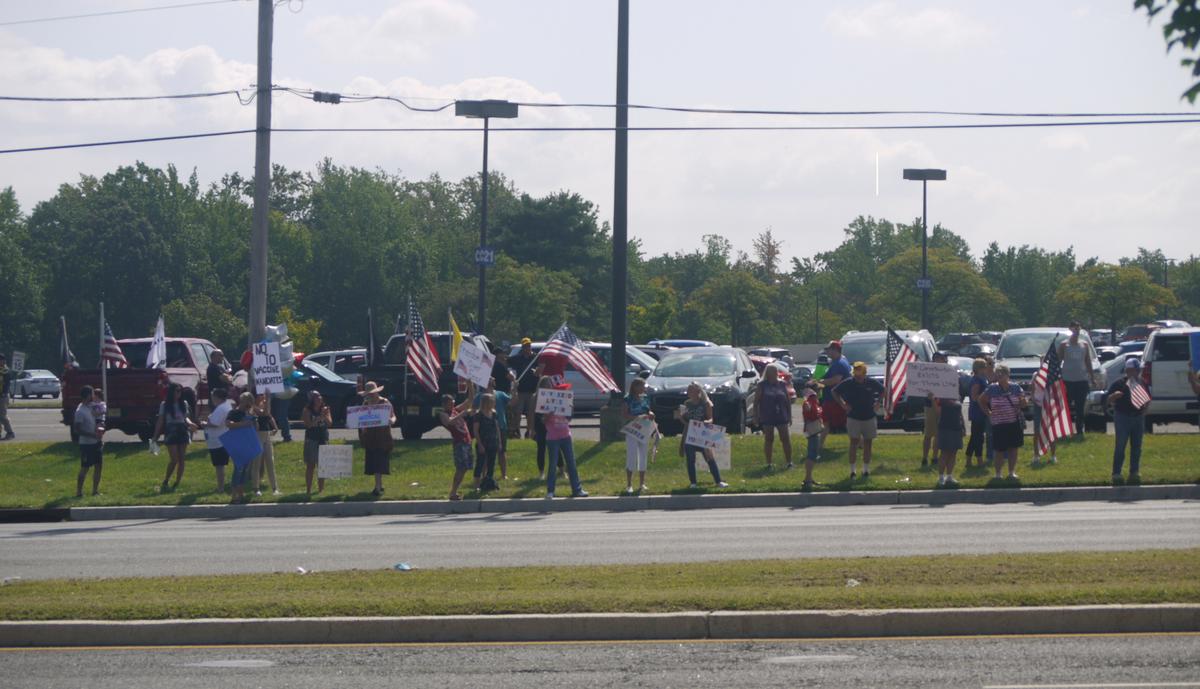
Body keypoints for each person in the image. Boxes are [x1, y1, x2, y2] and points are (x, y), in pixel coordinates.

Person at [832, 361, 885, 481]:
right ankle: (852, 471)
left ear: (864, 374)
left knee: (868, 443)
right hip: (853, 417)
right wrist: (842, 404)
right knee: (853, 443)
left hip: (869, 416)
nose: (858, 378)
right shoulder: (848, 382)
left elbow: (883, 390)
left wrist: (878, 402)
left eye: (860, 375)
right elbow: (834, 391)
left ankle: (866, 469)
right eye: (856, 375)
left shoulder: (871, 382)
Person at [675, 381, 728, 489]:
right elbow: (686, 421)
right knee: (690, 459)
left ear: (697, 391)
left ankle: (718, 481)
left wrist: (707, 422)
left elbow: (711, 418)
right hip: (690, 433)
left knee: (709, 457)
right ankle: (693, 482)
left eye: (691, 390)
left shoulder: (705, 403)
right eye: (688, 390)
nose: (688, 392)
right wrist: (680, 417)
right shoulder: (687, 404)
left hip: (703, 433)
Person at [541, 376, 587, 498]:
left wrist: (570, 409)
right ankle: (550, 491)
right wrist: (549, 413)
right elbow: (543, 420)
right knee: (552, 464)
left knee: (571, 463)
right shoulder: (546, 401)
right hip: (552, 437)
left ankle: (577, 489)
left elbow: (569, 419)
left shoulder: (565, 400)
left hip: (566, 435)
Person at [1106, 358, 1150, 485]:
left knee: (1137, 446)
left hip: (1137, 417)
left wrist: (1144, 411)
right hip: (1122, 417)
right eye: (1131, 370)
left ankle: (1134, 472)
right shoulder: (1119, 384)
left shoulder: (1142, 383)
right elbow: (1107, 400)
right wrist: (1113, 396)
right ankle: (1116, 473)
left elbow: (1147, 399)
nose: (1134, 373)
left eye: (1136, 370)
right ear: (1127, 371)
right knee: (1120, 446)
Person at [980, 364, 1027, 481]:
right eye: (998, 374)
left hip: (1014, 422)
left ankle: (1011, 472)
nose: (999, 376)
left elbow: (1024, 404)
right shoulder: (992, 388)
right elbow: (981, 400)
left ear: (1007, 375)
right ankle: (998, 474)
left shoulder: (1016, 387)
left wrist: (1023, 401)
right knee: (999, 450)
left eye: (1002, 374)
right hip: (998, 424)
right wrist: (989, 413)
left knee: (1013, 448)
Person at [155, 382, 198, 493]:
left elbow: (185, 418)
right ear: (171, 392)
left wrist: (190, 424)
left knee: (182, 459)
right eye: (177, 391)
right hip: (171, 430)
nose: (179, 393)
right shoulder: (165, 404)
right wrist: (155, 436)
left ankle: (177, 482)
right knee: (174, 459)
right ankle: (166, 480)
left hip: (182, 429)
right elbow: (160, 420)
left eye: (180, 391)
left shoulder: (184, 403)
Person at [358, 381, 396, 497]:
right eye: (369, 394)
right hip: (370, 437)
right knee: (374, 462)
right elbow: (361, 419)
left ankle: (377, 487)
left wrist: (391, 421)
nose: (371, 395)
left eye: (372, 393)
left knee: (380, 462)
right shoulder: (365, 404)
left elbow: (393, 416)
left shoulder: (385, 402)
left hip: (383, 436)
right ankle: (379, 485)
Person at [754, 363, 794, 470]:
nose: (775, 373)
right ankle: (769, 463)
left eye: (776, 371)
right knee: (769, 439)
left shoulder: (782, 384)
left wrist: (789, 415)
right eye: (772, 371)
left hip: (781, 415)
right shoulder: (762, 385)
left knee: (785, 438)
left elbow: (787, 401)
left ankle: (789, 462)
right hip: (767, 415)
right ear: (768, 373)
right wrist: (756, 416)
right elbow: (756, 402)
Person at [1057, 322, 1094, 437]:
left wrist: (1092, 377)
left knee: (1080, 407)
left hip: (1081, 380)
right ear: (1070, 329)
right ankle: (1064, 430)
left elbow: (1088, 361)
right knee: (1066, 406)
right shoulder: (1064, 345)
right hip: (1067, 380)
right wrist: (1056, 377)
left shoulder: (1084, 345)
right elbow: (1058, 361)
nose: (1076, 330)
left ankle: (1079, 430)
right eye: (1074, 328)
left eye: (1078, 328)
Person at [438, 388, 475, 501]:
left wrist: (470, 385)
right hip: (459, 443)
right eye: (450, 403)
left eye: (452, 402)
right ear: (444, 404)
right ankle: (453, 492)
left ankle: (455, 491)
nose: (452, 404)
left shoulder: (456, 410)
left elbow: (470, 400)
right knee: (460, 468)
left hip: (467, 441)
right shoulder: (443, 414)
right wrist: (462, 414)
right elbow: (449, 422)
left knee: (465, 468)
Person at [225, 392, 259, 504]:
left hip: (247, 443)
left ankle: (241, 494)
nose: (248, 405)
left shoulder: (250, 414)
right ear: (242, 401)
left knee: (245, 470)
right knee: (238, 469)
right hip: (237, 443)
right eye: (246, 402)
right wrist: (243, 424)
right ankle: (234, 495)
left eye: (250, 402)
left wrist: (254, 422)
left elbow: (256, 429)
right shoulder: (234, 412)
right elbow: (228, 424)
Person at [475, 377, 511, 481]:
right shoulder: (480, 396)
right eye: (490, 378)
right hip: (484, 430)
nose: (493, 379)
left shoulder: (500, 394)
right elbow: (473, 406)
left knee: (501, 452)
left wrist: (514, 387)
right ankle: (484, 476)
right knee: (485, 455)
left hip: (501, 426)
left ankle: (503, 474)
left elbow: (512, 402)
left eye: (493, 379)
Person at [622, 378, 655, 493]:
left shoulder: (645, 398)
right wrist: (637, 417)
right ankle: (629, 484)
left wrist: (650, 414)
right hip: (633, 429)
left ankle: (642, 483)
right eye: (641, 386)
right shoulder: (628, 399)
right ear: (635, 387)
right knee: (631, 455)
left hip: (644, 428)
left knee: (643, 455)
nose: (643, 388)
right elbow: (625, 414)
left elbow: (647, 410)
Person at [819, 340, 851, 452]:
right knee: (828, 423)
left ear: (835, 350)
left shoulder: (839, 364)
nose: (827, 352)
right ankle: (819, 445)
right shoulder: (838, 361)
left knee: (843, 423)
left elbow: (836, 380)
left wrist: (819, 382)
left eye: (828, 350)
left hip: (836, 399)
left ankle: (859, 443)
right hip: (833, 398)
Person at [73, 385, 103, 497]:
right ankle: (79, 492)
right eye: (92, 394)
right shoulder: (80, 411)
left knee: (98, 466)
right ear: (88, 395)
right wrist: (92, 435)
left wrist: (100, 427)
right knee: (85, 468)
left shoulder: (91, 406)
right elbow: (77, 430)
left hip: (96, 442)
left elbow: (99, 416)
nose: (94, 396)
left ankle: (95, 491)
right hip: (86, 444)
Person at [921, 351, 950, 467]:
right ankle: (924, 457)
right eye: (939, 358)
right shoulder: (928, 372)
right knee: (928, 433)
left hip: (943, 404)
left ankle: (934, 457)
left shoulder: (948, 372)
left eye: (943, 359)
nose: (942, 361)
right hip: (930, 405)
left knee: (939, 433)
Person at [202, 388, 233, 492]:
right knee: (220, 465)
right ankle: (221, 486)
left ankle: (220, 488)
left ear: (217, 397)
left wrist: (205, 424)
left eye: (213, 397)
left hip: (218, 441)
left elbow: (215, 423)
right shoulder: (226, 405)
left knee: (219, 466)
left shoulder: (221, 408)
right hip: (222, 438)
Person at [301, 391, 331, 498]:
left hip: (323, 438)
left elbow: (330, 423)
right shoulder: (307, 410)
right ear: (312, 400)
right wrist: (319, 417)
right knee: (310, 465)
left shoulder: (325, 409)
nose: (319, 399)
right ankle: (308, 490)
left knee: (322, 466)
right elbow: (308, 425)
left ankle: (321, 490)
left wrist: (325, 415)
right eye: (316, 398)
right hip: (311, 439)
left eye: (320, 397)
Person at [508, 338, 539, 439]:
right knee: (518, 412)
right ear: (522, 347)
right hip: (520, 390)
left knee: (530, 413)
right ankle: (516, 431)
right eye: (525, 346)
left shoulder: (536, 358)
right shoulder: (517, 358)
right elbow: (507, 363)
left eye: (528, 346)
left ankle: (528, 432)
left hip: (532, 390)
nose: (527, 348)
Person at [936, 391, 965, 488]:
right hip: (945, 427)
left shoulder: (958, 396)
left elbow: (960, 413)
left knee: (953, 452)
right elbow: (938, 412)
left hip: (956, 427)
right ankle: (941, 477)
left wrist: (963, 427)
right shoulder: (942, 398)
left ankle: (949, 476)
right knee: (944, 452)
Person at [799, 381, 824, 492]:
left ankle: (809, 477)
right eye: (819, 390)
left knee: (813, 454)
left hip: (814, 429)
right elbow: (811, 412)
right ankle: (808, 479)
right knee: (811, 455)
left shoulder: (813, 400)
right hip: (812, 429)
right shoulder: (810, 400)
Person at [965, 358, 989, 468]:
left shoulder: (982, 379)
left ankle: (970, 459)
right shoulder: (976, 380)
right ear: (979, 368)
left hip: (981, 410)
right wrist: (985, 400)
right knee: (977, 437)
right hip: (977, 411)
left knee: (977, 436)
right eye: (984, 367)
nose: (986, 369)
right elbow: (974, 397)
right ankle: (978, 459)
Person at [253, 394, 279, 495]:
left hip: (266, 434)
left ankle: (274, 488)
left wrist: (275, 427)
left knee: (270, 461)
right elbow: (263, 413)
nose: (263, 396)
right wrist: (268, 401)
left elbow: (269, 416)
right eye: (261, 395)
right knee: (257, 462)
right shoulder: (253, 406)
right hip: (257, 435)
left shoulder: (264, 404)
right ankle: (256, 488)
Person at [491, 347, 517, 436]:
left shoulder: (492, 364)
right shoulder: (499, 365)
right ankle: (507, 431)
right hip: (502, 392)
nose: (504, 355)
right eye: (502, 353)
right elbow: (510, 377)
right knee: (506, 412)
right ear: (497, 355)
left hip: (494, 391)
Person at [0, 354, 14, 440]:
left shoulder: (6, 371)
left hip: (3, 396)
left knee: (2, 416)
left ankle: (10, 432)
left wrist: (4, 393)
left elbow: (7, 383)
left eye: (1, 360)